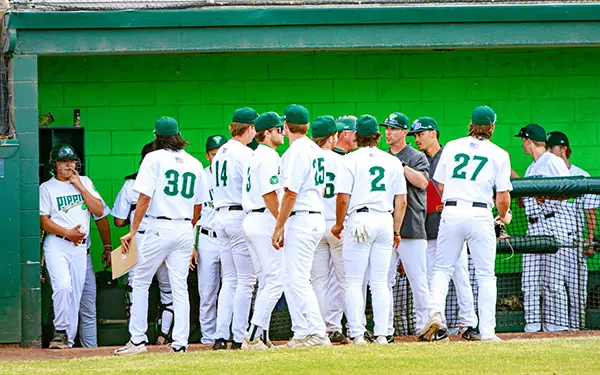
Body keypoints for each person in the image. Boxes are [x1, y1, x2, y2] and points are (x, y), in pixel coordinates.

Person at [419, 106, 512, 342]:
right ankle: (488, 332)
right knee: (485, 275)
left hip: (451, 210)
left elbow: (439, 185)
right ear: (491, 127)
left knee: (442, 269)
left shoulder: (452, 146)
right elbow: (502, 197)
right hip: (480, 213)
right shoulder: (499, 153)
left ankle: (435, 314)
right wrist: (502, 215)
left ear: (471, 124)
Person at [115, 117, 207, 355]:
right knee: (179, 287)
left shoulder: (152, 158)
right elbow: (199, 206)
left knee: (140, 282)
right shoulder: (195, 162)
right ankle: (180, 344)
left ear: (157, 137)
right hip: (186, 227)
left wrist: (133, 231)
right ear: (178, 136)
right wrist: (188, 227)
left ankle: (137, 341)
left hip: (158, 227)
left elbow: (144, 198)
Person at [331, 114, 407, 345]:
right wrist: (396, 230)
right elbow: (401, 201)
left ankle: (357, 333)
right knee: (380, 282)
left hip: (360, 219)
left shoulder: (349, 160)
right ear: (376, 136)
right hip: (384, 219)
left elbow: (343, 197)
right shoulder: (392, 161)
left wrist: (338, 223)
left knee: (354, 281)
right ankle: (383, 334)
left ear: (357, 136)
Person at [410, 117, 479, 340]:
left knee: (460, 274)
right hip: (427, 227)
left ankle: (468, 323)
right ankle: (439, 326)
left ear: (433, 133)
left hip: (451, 224)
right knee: (433, 278)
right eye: (416, 135)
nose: (417, 138)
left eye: (421, 134)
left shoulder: (448, 154)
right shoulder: (415, 159)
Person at [271, 104, 330, 347]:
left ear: (286, 126)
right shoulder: (315, 149)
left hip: (302, 216)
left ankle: (317, 332)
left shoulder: (296, 151)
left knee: (297, 278)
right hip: (313, 214)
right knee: (290, 277)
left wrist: (278, 225)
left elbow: (291, 194)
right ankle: (302, 331)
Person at [39, 144, 104, 349]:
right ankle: (59, 332)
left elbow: (99, 210)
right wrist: (67, 233)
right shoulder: (46, 187)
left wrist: (80, 187)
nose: (69, 164)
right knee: (63, 287)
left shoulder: (84, 182)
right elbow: (44, 220)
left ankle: (67, 342)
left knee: (75, 297)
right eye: (63, 161)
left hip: (80, 247)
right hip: (58, 243)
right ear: (55, 164)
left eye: (71, 160)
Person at [112, 142, 174, 345]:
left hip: (139, 238)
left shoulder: (131, 185)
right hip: (166, 237)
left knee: (136, 288)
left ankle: (136, 337)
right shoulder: (171, 183)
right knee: (169, 290)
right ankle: (164, 335)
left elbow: (118, 221)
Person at [514, 124, 571, 332]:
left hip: (552, 223)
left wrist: (546, 196)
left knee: (553, 282)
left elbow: (569, 189)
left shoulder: (552, 161)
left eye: (522, 140)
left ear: (528, 140)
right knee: (529, 281)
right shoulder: (531, 168)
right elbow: (523, 202)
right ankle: (532, 327)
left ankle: (557, 327)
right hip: (533, 225)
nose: (522, 144)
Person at [212, 107, 257, 350]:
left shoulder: (220, 152)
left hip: (220, 216)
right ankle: (239, 337)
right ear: (248, 128)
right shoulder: (245, 153)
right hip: (239, 215)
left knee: (229, 279)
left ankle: (221, 336)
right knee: (246, 280)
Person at [381, 112, 430, 337]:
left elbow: (422, 182)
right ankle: (386, 328)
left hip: (412, 225)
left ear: (404, 132)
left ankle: (424, 326)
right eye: (386, 128)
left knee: (418, 279)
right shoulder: (380, 157)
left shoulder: (416, 156)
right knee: (384, 280)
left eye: (393, 129)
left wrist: (400, 166)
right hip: (385, 226)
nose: (388, 132)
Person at [241, 112, 285, 349]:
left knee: (267, 280)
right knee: (277, 279)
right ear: (266, 132)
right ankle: (253, 335)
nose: (282, 133)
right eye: (278, 129)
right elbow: (269, 193)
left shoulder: (256, 155)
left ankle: (262, 336)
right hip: (264, 218)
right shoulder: (267, 155)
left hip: (252, 218)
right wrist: (280, 223)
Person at [547, 131, 597, 330]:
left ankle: (576, 330)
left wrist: (590, 239)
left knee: (577, 290)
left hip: (575, 240)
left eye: (553, 147)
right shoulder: (548, 175)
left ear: (564, 148)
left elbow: (590, 212)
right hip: (555, 240)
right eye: (548, 147)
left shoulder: (581, 175)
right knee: (553, 288)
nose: (550, 151)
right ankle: (558, 330)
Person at [308, 115, 346, 343]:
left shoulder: (307, 158)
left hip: (313, 223)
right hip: (336, 223)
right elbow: (345, 196)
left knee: (318, 281)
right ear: (332, 137)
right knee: (344, 280)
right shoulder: (342, 161)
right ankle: (339, 326)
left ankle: (320, 329)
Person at [191, 134, 227, 344]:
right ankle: (208, 337)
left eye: (221, 153)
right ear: (207, 156)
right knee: (207, 292)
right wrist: (191, 245)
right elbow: (193, 215)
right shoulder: (201, 177)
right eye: (214, 154)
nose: (218, 158)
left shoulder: (234, 176)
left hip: (228, 238)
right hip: (206, 238)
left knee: (231, 288)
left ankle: (227, 333)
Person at [78, 208, 112, 348]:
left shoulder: (87, 187)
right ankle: (65, 347)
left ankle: (90, 350)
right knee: (65, 302)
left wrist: (108, 247)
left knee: (89, 307)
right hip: (59, 250)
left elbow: (100, 214)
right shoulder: (49, 187)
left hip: (84, 254)